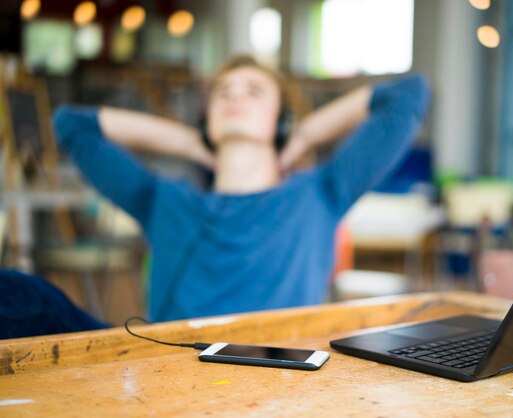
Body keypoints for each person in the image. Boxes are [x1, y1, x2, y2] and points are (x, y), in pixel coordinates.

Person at [52, 55, 431, 322]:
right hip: (175, 385)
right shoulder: (163, 201)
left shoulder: (319, 194)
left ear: (280, 121)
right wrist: (187, 141)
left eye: (254, 91)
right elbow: (71, 125)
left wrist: (304, 134)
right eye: (223, 92)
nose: (235, 97)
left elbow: (408, 95)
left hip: (275, 386)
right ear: (206, 122)